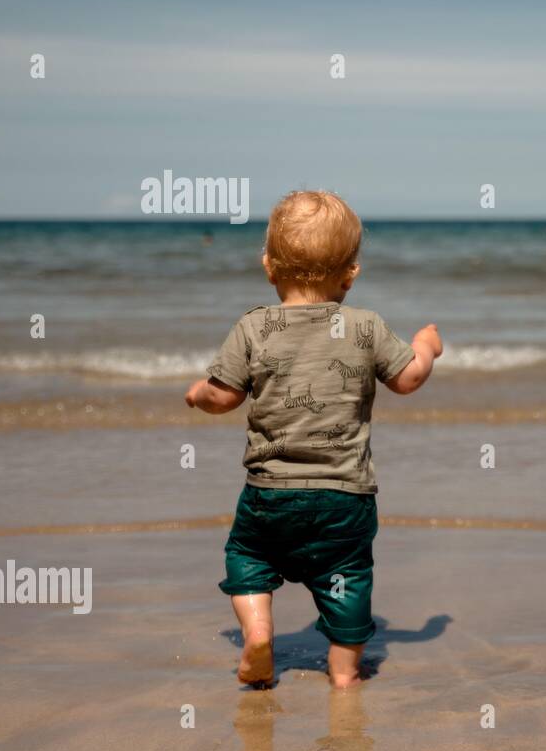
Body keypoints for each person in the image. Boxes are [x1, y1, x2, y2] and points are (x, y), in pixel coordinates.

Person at [184, 190, 443, 688]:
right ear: (351, 274)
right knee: (348, 575)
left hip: (269, 497)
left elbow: (223, 396)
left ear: (268, 267)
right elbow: (408, 379)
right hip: (344, 498)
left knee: (249, 560)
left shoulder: (254, 327)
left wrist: (199, 392)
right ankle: (344, 674)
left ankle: (258, 630)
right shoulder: (365, 327)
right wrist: (424, 346)